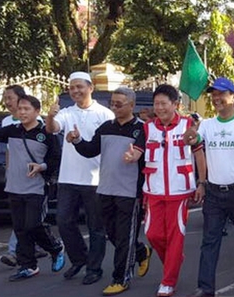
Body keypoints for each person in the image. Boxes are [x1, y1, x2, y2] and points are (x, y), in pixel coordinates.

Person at [183, 78, 234, 297]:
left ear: (232, 96)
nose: (216, 98)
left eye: (221, 94)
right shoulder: (208, 124)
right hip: (214, 192)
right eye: (213, 95)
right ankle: (205, 287)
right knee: (209, 240)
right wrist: (189, 137)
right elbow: (194, 140)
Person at [69, 87, 152, 295]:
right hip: (105, 188)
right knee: (112, 233)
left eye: (119, 104)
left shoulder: (142, 129)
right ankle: (141, 251)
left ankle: (121, 278)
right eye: (112, 103)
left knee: (124, 237)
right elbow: (90, 151)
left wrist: (136, 157)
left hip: (129, 192)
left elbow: (147, 158)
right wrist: (77, 140)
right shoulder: (106, 127)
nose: (114, 107)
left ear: (132, 105)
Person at [45, 71, 114, 285]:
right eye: (72, 87)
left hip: (95, 180)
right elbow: (53, 128)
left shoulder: (105, 114)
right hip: (68, 179)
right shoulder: (67, 112)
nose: (75, 91)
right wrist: (50, 115)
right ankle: (79, 259)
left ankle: (94, 268)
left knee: (96, 227)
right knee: (64, 221)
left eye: (79, 87)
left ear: (90, 87)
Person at [142, 84, 203, 297]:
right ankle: (174, 259)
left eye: (163, 103)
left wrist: (202, 183)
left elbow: (198, 154)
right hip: (153, 189)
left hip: (179, 190)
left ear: (175, 104)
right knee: (153, 234)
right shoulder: (148, 127)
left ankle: (168, 281)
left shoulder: (188, 125)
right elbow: (138, 152)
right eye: (156, 103)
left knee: (175, 236)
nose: (159, 107)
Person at [0, 95, 65, 281]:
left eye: (26, 109)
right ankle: (28, 266)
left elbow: (55, 159)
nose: (22, 112)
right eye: (20, 109)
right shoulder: (12, 130)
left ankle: (55, 247)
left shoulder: (46, 134)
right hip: (14, 187)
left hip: (36, 188)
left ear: (37, 111)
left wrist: (41, 167)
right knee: (20, 229)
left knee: (33, 224)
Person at [0, 85, 47, 268]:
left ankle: (50, 247)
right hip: (16, 179)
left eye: (9, 97)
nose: (6, 101)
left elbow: (50, 154)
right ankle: (25, 257)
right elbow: (11, 149)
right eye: (5, 97)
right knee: (20, 223)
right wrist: (10, 171)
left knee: (31, 223)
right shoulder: (7, 123)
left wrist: (43, 168)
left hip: (35, 181)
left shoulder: (39, 124)